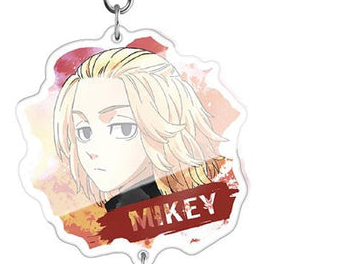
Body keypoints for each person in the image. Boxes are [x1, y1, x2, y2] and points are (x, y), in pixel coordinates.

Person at [53, 47, 225, 211]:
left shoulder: (202, 202)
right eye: (84, 132)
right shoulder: (119, 208)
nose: (92, 150)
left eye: (121, 129)